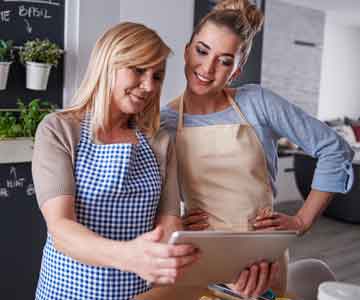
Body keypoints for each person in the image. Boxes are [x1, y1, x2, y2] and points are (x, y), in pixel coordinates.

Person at [160, 0, 354, 297]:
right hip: (198, 257)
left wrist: (301, 221)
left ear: (236, 70)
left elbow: (334, 148)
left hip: (260, 265)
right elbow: (150, 195)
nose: (208, 68)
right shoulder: (164, 123)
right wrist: (174, 222)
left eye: (225, 60)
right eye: (202, 51)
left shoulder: (257, 103)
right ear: (187, 50)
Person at [31, 22, 199, 300]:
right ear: (108, 64)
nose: (148, 86)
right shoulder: (59, 130)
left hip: (139, 294)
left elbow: (168, 223)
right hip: (67, 291)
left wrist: (179, 250)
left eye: (157, 76)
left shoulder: (160, 141)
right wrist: (128, 257)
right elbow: (60, 228)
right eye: (138, 69)